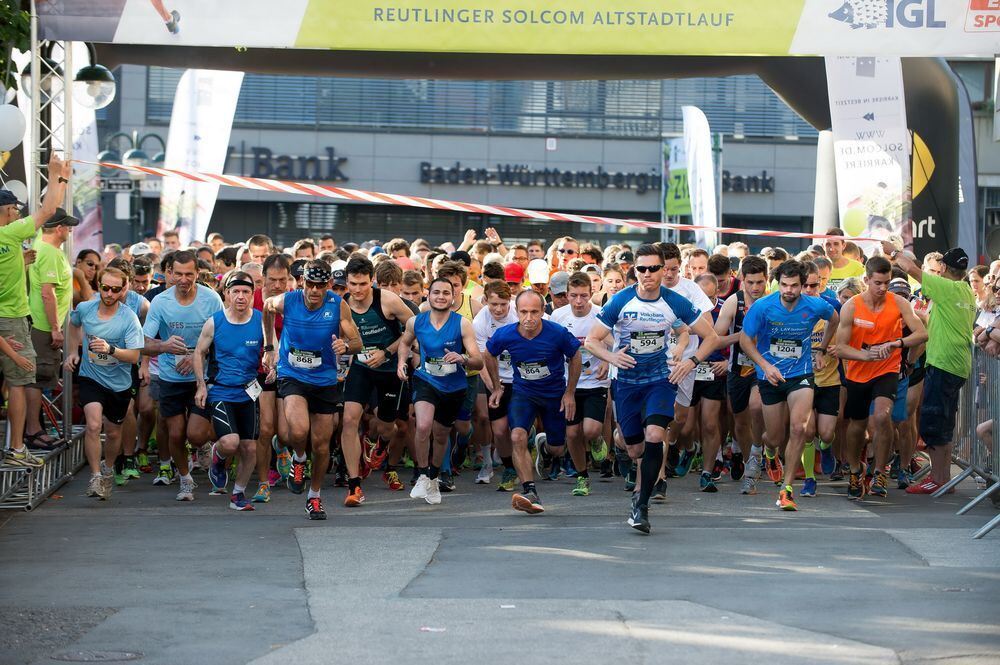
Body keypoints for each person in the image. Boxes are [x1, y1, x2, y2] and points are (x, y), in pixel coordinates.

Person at [585, 243, 718, 534]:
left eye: (653, 268)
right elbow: (591, 340)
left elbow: (712, 337)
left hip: (660, 379)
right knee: (634, 448)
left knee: (656, 435)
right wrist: (612, 357)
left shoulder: (675, 301)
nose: (647, 274)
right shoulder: (620, 301)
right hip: (628, 382)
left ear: (663, 270)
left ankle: (641, 504)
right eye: (641, 269)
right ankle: (623, 450)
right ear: (634, 270)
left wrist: (690, 361)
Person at [263, 260, 362, 518]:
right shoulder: (288, 300)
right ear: (302, 282)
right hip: (292, 373)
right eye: (310, 284)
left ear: (328, 285)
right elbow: (266, 307)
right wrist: (269, 347)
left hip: (324, 379)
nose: (315, 291)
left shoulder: (337, 304)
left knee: (321, 445)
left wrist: (345, 346)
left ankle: (314, 496)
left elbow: (357, 342)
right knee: (298, 429)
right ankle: (297, 458)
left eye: (320, 285)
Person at [739, 259, 839, 512]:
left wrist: (821, 349)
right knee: (774, 436)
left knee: (799, 428)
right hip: (770, 377)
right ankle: (769, 452)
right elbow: (745, 340)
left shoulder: (814, 304)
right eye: (784, 285)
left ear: (802, 285)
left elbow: (834, 319)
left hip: (801, 374)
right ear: (778, 283)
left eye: (794, 285)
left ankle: (786, 489)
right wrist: (765, 365)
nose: (789, 290)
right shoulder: (763, 306)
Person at [832, 257, 927, 500]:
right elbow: (840, 348)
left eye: (886, 283)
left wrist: (898, 343)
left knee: (883, 416)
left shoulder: (899, 303)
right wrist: (865, 356)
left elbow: (922, 333)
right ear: (866, 281)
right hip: (857, 373)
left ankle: (879, 472)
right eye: (877, 283)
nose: (883, 288)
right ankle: (855, 469)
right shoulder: (851, 306)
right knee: (857, 427)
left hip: (887, 370)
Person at [886, 243, 976, 493]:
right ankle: (943, 479)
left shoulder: (947, 288)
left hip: (944, 363)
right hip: (955, 364)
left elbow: (911, 269)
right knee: (943, 425)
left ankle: (938, 480)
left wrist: (893, 252)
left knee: (934, 425)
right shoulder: (966, 291)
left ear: (944, 267)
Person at [0, 153, 71, 468]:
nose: (17, 212)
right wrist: (58, 176)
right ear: (5, 211)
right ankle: (17, 447)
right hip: (11, 319)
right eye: (14, 208)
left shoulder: (11, 242)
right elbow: (49, 210)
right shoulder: (9, 233)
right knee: (20, 379)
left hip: (9, 318)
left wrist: (20, 261)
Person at [484, 289, 583, 514]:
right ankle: (530, 491)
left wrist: (569, 393)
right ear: (516, 311)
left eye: (534, 312)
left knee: (557, 448)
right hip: (524, 393)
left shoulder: (557, 333)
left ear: (542, 311)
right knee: (517, 436)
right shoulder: (506, 334)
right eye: (524, 312)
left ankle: (545, 449)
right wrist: (497, 387)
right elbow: (488, 354)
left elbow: (575, 355)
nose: (529, 318)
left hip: (553, 395)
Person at [142, 250, 223, 501]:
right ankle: (186, 479)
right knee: (175, 433)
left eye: (189, 274)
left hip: (201, 380)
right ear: (170, 274)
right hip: (170, 377)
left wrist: (197, 355)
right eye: (179, 274)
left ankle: (211, 448)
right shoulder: (161, 302)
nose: (184, 279)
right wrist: (164, 346)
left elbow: (222, 338)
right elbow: (142, 342)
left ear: (198, 274)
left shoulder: (211, 299)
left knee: (196, 435)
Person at [397, 278, 484, 505]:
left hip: (453, 386)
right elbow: (405, 343)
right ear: (429, 294)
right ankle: (423, 474)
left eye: (446, 292)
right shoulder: (416, 322)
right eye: (436, 292)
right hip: (426, 380)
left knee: (441, 434)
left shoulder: (462, 323)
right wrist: (400, 363)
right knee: (423, 425)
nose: (441, 296)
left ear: (453, 297)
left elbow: (478, 361)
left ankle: (434, 477)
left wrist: (462, 358)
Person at [64, 267, 144, 499]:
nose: (109, 294)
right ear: (99, 286)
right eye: (105, 288)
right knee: (93, 424)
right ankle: (96, 476)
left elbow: (134, 357)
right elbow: (73, 323)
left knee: (113, 433)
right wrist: (72, 352)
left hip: (118, 383)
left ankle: (108, 469)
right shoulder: (86, 308)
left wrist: (110, 349)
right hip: (91, 377)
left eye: (115, 290)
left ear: (123, 290)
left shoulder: (128, 317)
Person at [342, 256, 415, 495]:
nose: (358, 289)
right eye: (353, 284)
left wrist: (387, 352)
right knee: (349, 420)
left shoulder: (388, 300)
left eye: (363, 284)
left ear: (371, 281)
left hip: (389, 371)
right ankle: (354, 486)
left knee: (388, 428)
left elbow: (414, 328)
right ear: (347, 282)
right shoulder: (342, 304)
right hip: (361, 369)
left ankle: (381, 444)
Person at [193, 272, 264, 511]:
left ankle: (238, 494)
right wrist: (201, 385)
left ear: (252, 295)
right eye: (236, 291)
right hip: (222, 391)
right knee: (230, 443)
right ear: (227, 294)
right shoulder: (215, 321)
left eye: (246, 292)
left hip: (249, 391)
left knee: (250, 448)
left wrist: (273, 364)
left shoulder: (260, 321)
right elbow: (199, 352)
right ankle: (218, 456)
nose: (241, 296)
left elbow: (273, 349)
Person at [550, 272, 610, 497]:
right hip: (569, 385)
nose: (578, 301)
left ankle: (596, 440)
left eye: (583, 296)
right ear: (566, 295)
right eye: (573, 295)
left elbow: (613, 342)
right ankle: (582, 477)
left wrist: (606, 359)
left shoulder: (601, 315)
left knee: (591, 429)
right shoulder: (557, 316)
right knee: (573, 434)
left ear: (591, 294)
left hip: (595, 380)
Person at [715, 256, 769, 496]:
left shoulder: (773, 302)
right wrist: (744, 336)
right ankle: (750, 462)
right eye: (751, 283)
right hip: (738, 368)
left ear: (767, 280)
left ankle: (755, 463)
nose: (755, 288)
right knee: (740, 422)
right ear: (742, 281)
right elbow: (717, 339)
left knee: (756, 407)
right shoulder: (732, 303)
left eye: (760, 282)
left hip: (763, 367)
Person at [25, 208, 77, 449]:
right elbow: (48, 293)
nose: (69, 230)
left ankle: (35, 427)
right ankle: (33, 430)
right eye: (67, 226)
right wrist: (55, 327)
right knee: (38, 379)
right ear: (58, 229)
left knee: (38, 378)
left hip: (41, 322)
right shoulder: (50, 252)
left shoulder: (42, 246)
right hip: (44, 326)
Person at [472, 280, 519, 489]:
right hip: (495, 377)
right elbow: (482, 358)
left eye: (503, 304)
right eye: (494, 304)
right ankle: (509, 468)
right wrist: (494, 388)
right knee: (499, 431)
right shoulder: (480, 321)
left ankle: (520, 466)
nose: (498, 309)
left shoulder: (519, 315)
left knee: (517, 429)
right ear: (486, 302)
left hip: (520, 378)